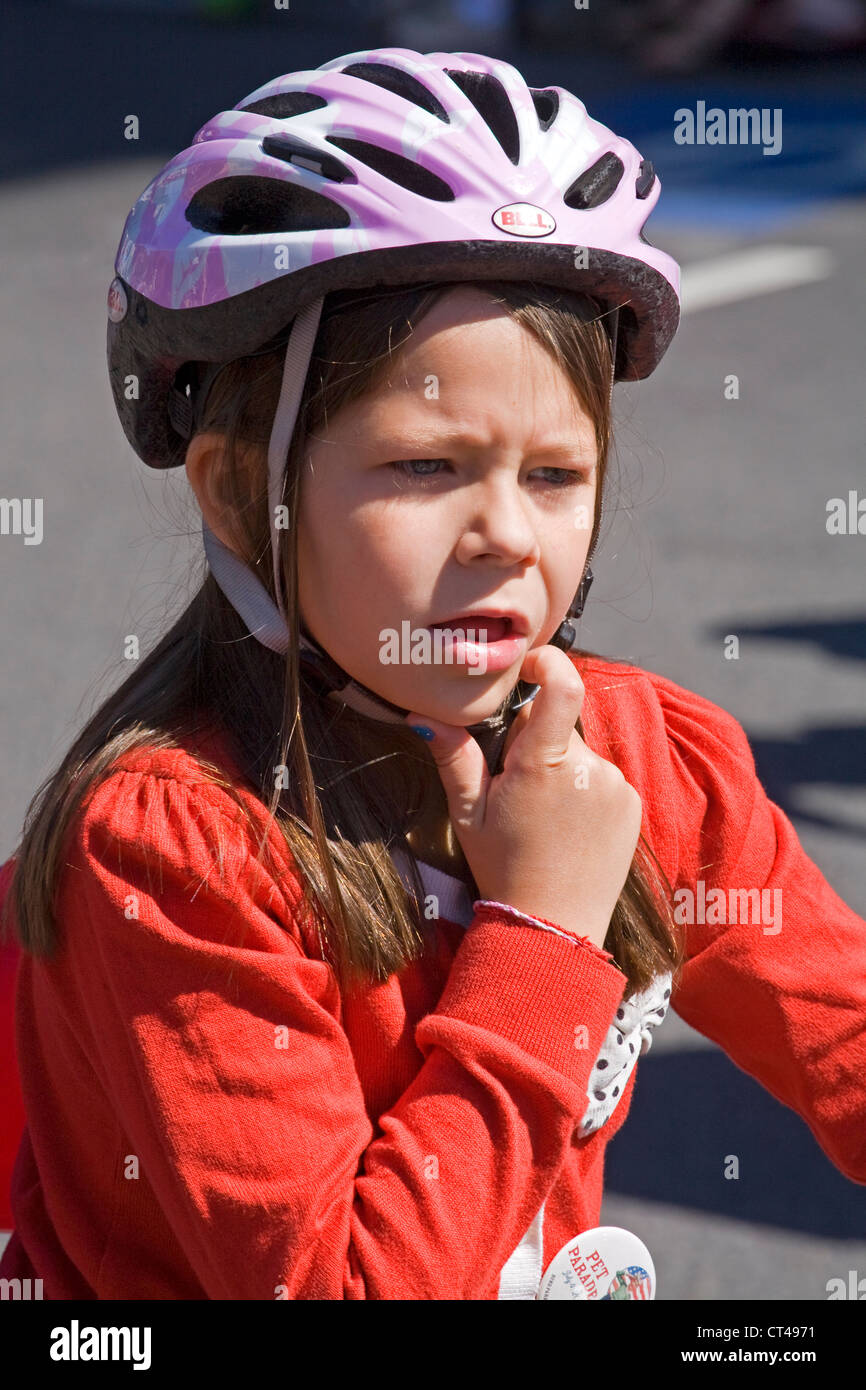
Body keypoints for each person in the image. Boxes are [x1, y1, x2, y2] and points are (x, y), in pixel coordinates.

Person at [0, 46, 864, 1302]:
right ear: (243, 492)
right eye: (421, 467)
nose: (508, 534)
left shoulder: (639, 755)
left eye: (554, 476)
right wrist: (544, 932)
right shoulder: (173, 849)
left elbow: (841, 1033)